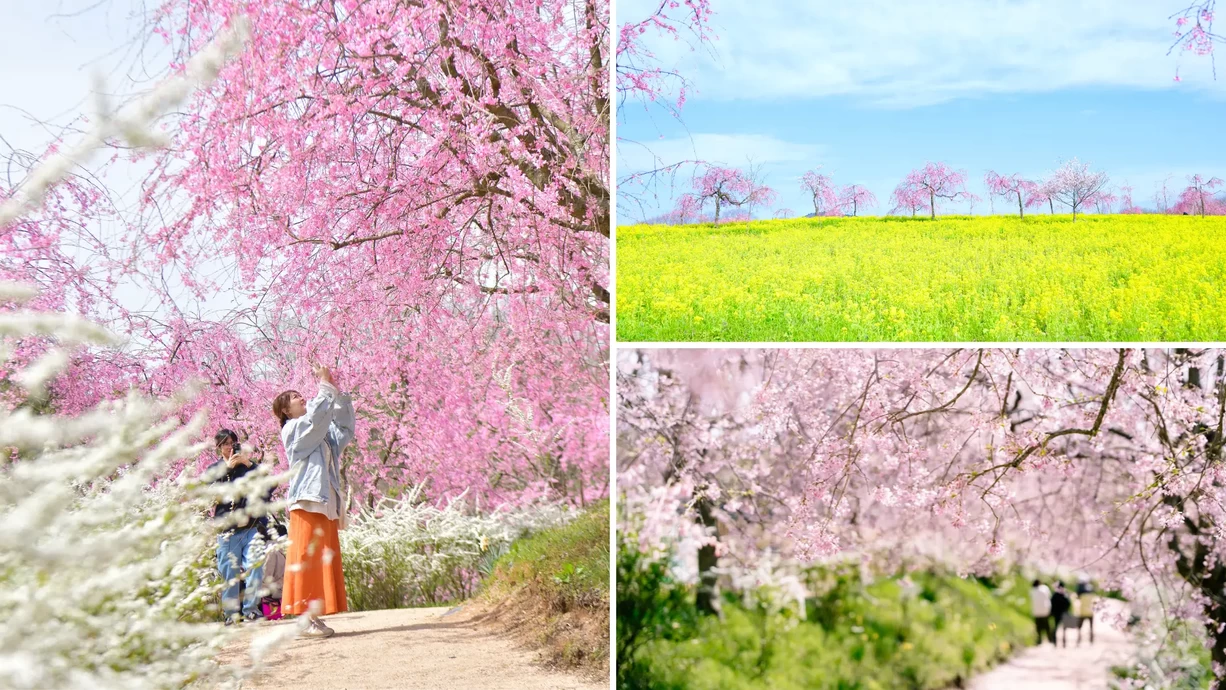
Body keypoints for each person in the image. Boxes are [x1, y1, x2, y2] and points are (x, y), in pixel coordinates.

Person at [273, 364, 355, 639]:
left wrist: (337, 394)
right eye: (295, 397)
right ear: (286, 410)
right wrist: (323, 385)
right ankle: (304, 617)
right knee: (307, 560)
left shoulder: (318, 435)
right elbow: (316, 420)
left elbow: (342, 430)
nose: (301, 398)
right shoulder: (294, 430)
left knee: (320, 560)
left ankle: (313, 616)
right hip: (307, 500)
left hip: (325, 502)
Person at [207, 428, 270, 624]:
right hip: (227, 531)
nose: (229, 447)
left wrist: (248, 463)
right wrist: (226, 469)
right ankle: (231, 614)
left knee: (255, 566)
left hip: (251, 527)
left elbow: (268, 484)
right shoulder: (214, 469)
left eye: (232, 443)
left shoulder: (247, 466)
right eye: (225, 444)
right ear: (218, 447)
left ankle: (251, 609)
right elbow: (207, 495)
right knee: (229, 573)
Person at [1074, 576, 1097, 645]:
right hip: (1090, 612)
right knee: (1091, 627)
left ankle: (1079, 639)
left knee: (1079, 627)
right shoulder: (1091, 593)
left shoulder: (1080, 595)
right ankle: (1091, 639)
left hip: (1082, 612)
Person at [1030, 579, 1052, 645]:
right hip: (1045, 610)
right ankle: (1050, 638)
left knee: (1038, 627)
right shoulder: (1045, 588)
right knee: (1047, 626)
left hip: (1036, 611)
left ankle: (1039, 640)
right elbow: (1049, 596)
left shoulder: (1032, 590)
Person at [1050, 581, 1073, 647]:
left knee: (1056, 628)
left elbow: (1051, 604)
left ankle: (1055, 642)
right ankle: (1064, 642)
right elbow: (1068, 603)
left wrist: (1052, 612)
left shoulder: (1055, 594)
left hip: (1057, 613)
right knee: (1064, 629)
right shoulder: (1065, 594)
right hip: (1064, 613)